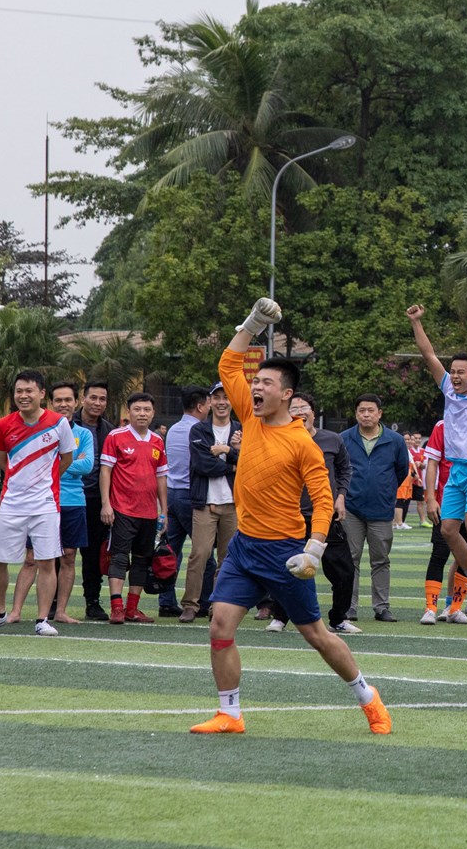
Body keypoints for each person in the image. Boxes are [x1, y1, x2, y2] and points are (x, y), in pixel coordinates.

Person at [191, 297, 391, 737]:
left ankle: (367, 696)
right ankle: (230, 714)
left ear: (287, 395)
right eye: (255, 381)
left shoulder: (303, 443)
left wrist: (314, 550)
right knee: (220, 626)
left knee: (317, 635)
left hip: (285, 553)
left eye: (265, 383)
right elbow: (228, 364)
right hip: (244, 547)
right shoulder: (251, 416)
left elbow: (323, 501)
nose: (255, 387)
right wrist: (254, 322)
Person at [407, 305, 467, 615]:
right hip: (457, 470)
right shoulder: (447, 388)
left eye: (462, 371)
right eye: (454, 371)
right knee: (448, 531)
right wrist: (417, 322)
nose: (456, 375)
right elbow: (428, 354)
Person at [0, 370, 73, 635]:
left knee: (46, 562)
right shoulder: (4, 424)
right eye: (19, 391)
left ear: (42, 393)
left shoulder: (58, 423)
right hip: (11, 504)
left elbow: (66, 460)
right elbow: (4, 462)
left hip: (45, 505)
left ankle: (42, 621)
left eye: (29, 391)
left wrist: (43, 482)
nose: (23, 396)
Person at [97, 391, 167, 625]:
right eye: (137, 409)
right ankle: (116, 608)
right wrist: (106, 504)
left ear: (153, 413)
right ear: (129, 412)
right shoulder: (116, 437)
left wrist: (163, 511)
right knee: (118, 558)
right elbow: (105, 471)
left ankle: (132, 609)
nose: (142, 413)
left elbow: (161, 477)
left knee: (142, 560)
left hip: (148, 512)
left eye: (147, 409)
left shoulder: (158, 441)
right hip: (122, 509)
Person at [291, 395, 358, 634]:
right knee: (286, 567)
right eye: (294, 409)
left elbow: (344, 469)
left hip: (326, 515)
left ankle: (338, 618)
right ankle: (280, 616)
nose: (299, 412)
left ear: (313, 412)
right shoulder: (281, 439)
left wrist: (340, 496)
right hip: (292, 517)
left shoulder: (331, 439)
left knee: (344, 571)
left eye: (303, 408)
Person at [339, 394, 408, 624]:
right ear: (356, 413)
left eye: (370, 410)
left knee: (381, 559)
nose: (366, 415)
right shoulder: (344, 439)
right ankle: (348, 607)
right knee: (351, 559)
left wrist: (385, 492)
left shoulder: (395, 440)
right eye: (361, 411)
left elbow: (401, 471)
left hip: (381, 510)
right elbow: (338, 471)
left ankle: (381, 607)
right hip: (351, 509)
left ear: (380, 413)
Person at [183, 384, 240, 623]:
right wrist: (232, 463)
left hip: (234, 504)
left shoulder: (242, 429)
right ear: (209, 402)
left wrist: (227, 449)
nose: (221, 402)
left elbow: (251, 461)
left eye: (226, 397)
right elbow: (202, 465)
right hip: (205, 503)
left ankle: (219, 605)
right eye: (216, 397)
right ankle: (190, 605)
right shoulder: (199, 430)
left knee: (229, 558)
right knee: (200, 554)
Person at [45, 381, 95, 624]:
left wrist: (57, 462)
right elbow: (40, 464)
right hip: (44, 500)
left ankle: (61, 610)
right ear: (51, 403)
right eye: (58, 400)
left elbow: (87, 466)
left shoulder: (84, 434)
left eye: (68, 400)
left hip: (74, 501)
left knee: (68, 556)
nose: (63, 404)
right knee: (36, 558)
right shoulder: (42, 432)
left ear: (76, 402)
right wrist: (71, 461)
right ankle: (30, 610)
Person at [159, 386, 207, 618]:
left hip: (171, 493)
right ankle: (205, 601)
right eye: (209, 403)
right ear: (200, 406)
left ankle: (166, 600)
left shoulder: (175, 429)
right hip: (190, 494)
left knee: (171, 552)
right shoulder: (199, 429)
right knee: (203, 552)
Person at [416, 420, 466, 624]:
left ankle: (455, 608)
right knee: (439, 554)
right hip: (446, 503)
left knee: (466, 556)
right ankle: (430, 608)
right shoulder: (442, 426)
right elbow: (432, 464)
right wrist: (430, 498)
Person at [76, 380, 116, 620]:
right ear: (83, 398)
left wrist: (107, 502)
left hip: (95, 499)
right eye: (93, 398)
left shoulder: (109, 430)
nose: (97, 403)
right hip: (68, 496)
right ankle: (54, 602)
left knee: (92, 555)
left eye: (102, 399)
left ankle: (92, 602)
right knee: (62, 553)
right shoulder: (67, 424)